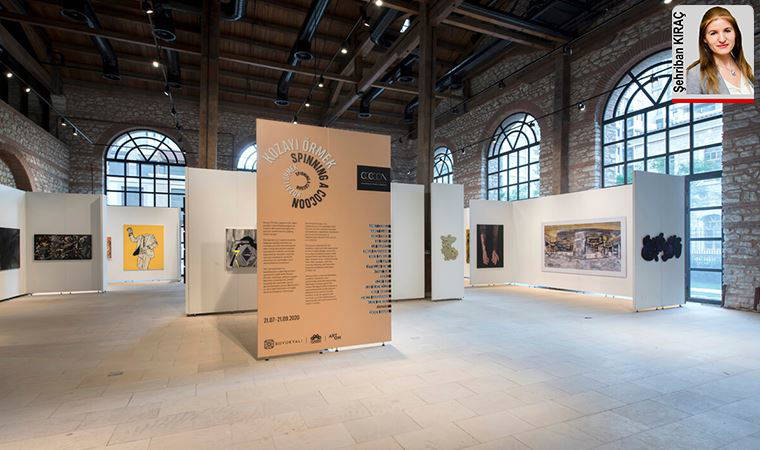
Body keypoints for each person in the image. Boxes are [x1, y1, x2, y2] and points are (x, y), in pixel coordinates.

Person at [686, 7, 754, 96]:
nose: (722, 39)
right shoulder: (695, 75)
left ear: (735, 33)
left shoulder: (744, 65)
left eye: (727, 30)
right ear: (704, 38)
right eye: (713, 33)